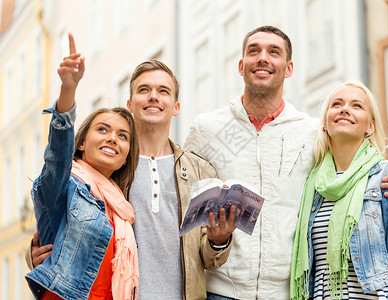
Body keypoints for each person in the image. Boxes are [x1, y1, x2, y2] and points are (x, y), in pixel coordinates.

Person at [184, 25, 388, 299]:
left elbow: (354, 170)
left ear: (288, 68)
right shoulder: (208, 128)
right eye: (254, 51)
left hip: (286, 293)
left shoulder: (312, 132)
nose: (263, 58)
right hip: (220, 291)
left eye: (274, 52)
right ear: (241, 65)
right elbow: (182, 203)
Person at [27, 57, 236, 299]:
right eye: (144, 90)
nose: (153, 96)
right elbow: (60, 205)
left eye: (163, 91)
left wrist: (218, 241)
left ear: (176, 106)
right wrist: (37, 252)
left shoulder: (199, 171)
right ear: (130, 104)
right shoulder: (110, 168)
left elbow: (208, 259)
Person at [25, 33, 140, 300]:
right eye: (103, 129)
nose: (113, 137)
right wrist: (69, 89)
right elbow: (57, 154)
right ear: (81, 144)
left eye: (123, 136)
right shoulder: (63, 186)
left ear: (125, 157)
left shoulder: (122, 207)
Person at [290, 80, 388, 299]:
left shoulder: (387, 177)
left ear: (370, 126)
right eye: (337, 104)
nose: (345, 109)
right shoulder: (313, 184)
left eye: (357, 106)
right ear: (325, 123)